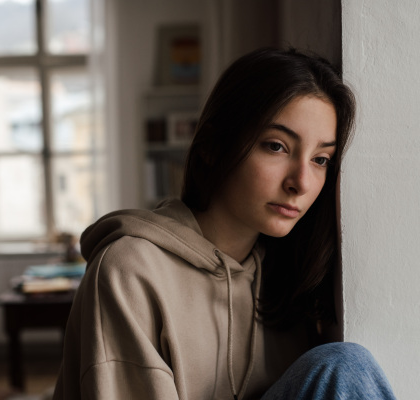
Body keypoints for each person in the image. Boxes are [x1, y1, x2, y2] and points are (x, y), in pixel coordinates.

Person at [52, 48, 396, 399]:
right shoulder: (129, 270)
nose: (302, 183)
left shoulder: (286, 279)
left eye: (321, 159)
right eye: (277, 146)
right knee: (344, 363)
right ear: (212, 147)